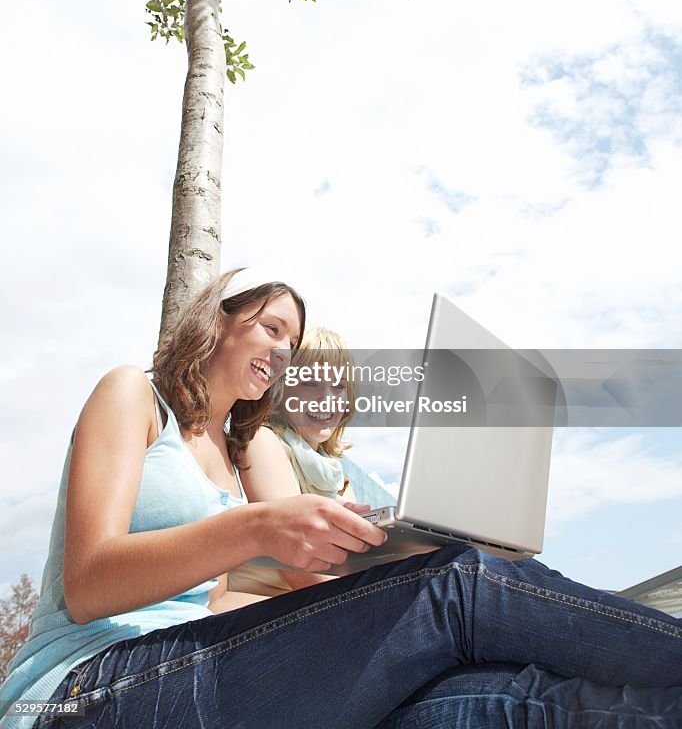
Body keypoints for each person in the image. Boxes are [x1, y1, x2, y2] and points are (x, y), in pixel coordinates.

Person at [2, 268, 682, 729]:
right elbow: (89, 584)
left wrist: (381, 564)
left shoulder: (234, 464)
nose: (283, 352)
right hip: (79, 691)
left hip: (179, 663)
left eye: (292, 342)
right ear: (216, 320)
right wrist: (257, 528)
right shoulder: (133, 395)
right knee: (458, 585)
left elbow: (215, 603)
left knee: (490, 696)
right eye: (271, 328)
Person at [225, 326, 358, 598]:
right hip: (261, 618)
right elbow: (305, 576)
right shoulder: (262, 442)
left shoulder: (335, 476)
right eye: (310, 383)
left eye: (338, 386)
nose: (326, 399)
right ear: (280, 390)